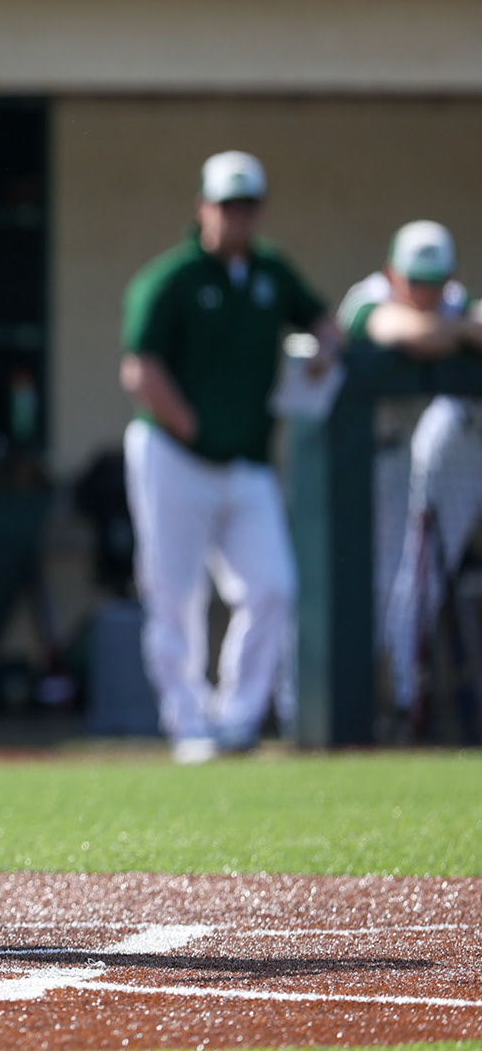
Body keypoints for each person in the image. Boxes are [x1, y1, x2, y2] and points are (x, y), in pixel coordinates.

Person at [120, 150, 342, 765]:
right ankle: (189, 723)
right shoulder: (171, 278)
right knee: (174, 592)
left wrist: (325, 349)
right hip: (174, 454)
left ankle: (239, 720)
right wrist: (193, 427)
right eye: (225, 206)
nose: (236, 218)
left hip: (246, 460)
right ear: (203, 208)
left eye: (246, 207)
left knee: (273, 587)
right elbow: (140, 369)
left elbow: (323, 320)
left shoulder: (271, 270)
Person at [337, 220, 482, 731]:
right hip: (357, 467)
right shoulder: (367, 298)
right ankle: (322, 710)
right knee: (360, 587)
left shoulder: (456, 302)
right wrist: (458, 330)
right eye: (415, 281)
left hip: (414, 461)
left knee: (417, 583)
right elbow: (404, 332)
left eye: (434, 282)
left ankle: (402, 699)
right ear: (392, 274)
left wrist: (455, 326)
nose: (424, 292)